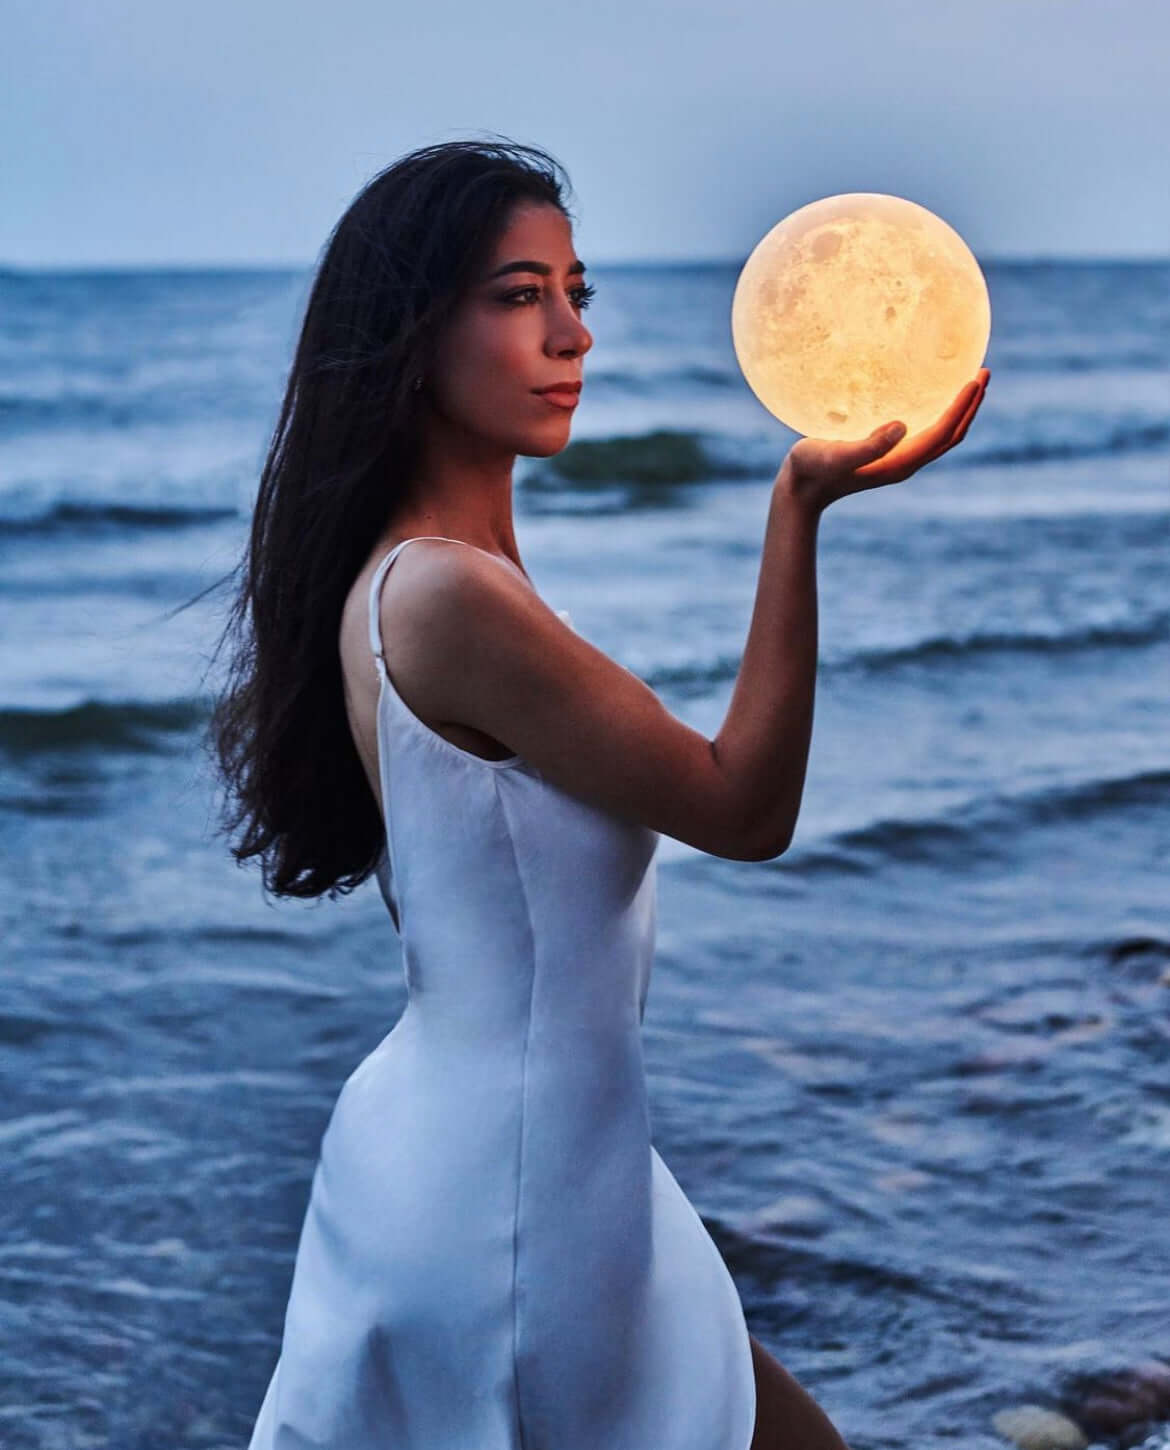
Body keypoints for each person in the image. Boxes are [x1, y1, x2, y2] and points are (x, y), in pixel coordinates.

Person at [209, 137, 990, 1449]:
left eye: (578, 290)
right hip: (502, 1198)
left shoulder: (453, 577)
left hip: (560, 1164)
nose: (571, 333)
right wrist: (795, 511)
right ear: (411, 332)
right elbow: (743, 808)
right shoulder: (446, 595)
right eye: (519, 296)